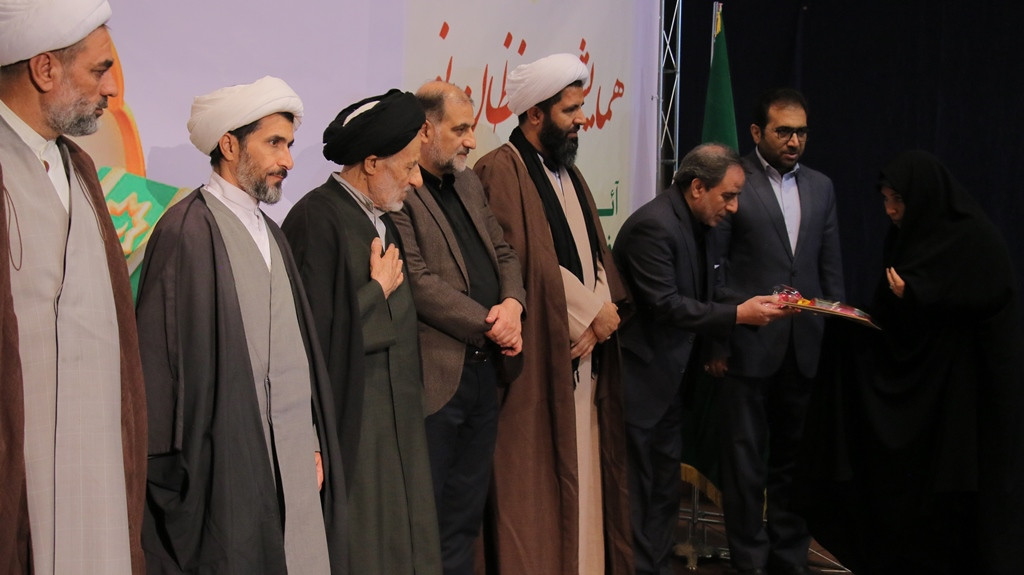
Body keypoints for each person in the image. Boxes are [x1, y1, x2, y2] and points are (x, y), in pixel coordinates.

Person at [135, 77, 347, 574]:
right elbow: (160, 370)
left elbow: (296, 355)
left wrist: (312, 440)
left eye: (289, 145)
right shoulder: (185, 231)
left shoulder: (273, 234)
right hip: (224, 462)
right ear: (229, 145)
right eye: (274, 143)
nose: (287, 160)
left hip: (293, 459)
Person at [0, 2, 146, 572]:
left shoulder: (80, 169)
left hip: (95, 466)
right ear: (44, 69)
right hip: (21, 469)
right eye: (99, 70)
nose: (111, 88)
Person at [474, 52, 633, 575]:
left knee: (586, 482)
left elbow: (595, 252)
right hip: (541, 363)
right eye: (570, 110)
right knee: (537, 492)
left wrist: (603, 310)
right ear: (535, 114)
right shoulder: (500, 169)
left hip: (585, 353)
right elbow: (519, 261)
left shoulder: (569, 172)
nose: (582, 119)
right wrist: (590, 314)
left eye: (582, 108)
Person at [831, 150, 1023, 575]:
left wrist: (921, 294)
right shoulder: (905, 236)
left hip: (974, 386)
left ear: (923, 196)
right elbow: (893, 313)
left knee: (971, 490)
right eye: (885, 200)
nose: (891, 210)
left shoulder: (975, 237)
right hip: (931, 383)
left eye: (898, 199)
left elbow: (990, 296)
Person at [282, 89, 442, 575]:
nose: (417, 180)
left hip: (398, 428)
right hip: (355, 433)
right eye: (408, 166)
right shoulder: (316, 218)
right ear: (371, 163)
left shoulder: (383, 221)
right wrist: (376, 292)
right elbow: (308, 338)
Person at [614, 143, 793, 575]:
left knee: (664, 493)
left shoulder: (702, 225)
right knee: (637, 493)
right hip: (640, 385)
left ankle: (655, 568)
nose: (734, 208)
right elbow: (666, 305)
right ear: (697, 187)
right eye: (728, 196)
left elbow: (711, 292)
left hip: (674, 384)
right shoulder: (653, 226)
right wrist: (739, 315)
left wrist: (757, 302)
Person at [389, 81, 526, 575]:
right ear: (426, 131)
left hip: (486, 373)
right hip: (437, 378)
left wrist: (513, 305)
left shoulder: (467, 182)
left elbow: (504, 251)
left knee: (465, 517)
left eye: (473, 129)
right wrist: (492, 323)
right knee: (426, 517)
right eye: (461, 129)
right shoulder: (400, 188)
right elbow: (418, 282)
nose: (472, 141)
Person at [709, 88, 844, 575]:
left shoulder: (821, 187)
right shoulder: (733, 181)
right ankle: (749, 562)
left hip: (805, 350)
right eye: (783, 131)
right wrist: (717, 339)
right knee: (744, 466)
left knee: (796, 464)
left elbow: (830, 271)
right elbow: (715, 270)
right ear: (756, 132)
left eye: (801, 132)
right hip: (747, 347)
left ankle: (789, 560)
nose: (794, 141)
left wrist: (833, 343)